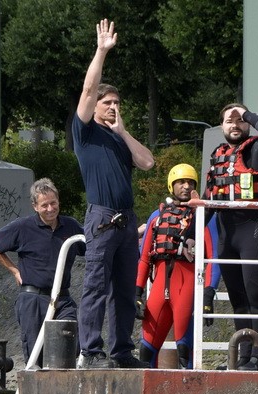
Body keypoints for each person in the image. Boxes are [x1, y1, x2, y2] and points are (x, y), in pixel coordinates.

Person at [72, 19, 155, 369]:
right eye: (108, 102)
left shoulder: (119, 138)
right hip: (102, 218)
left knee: (124, 290)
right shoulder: (85, 132)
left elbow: (148, 162)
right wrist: (101, 51)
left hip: (126, 222)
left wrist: (123, 131)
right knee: (95, 286)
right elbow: (88, 90)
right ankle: (91, 351)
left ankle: (122, 352)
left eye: (117, 102)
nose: (112, 106)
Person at [203, 102, 258, 371]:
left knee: (255, 295)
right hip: (227, 234)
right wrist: (189, 235)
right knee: (238, 298)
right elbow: (209, 199)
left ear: (248, 123)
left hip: (255, 229)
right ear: (221, 126)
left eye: (240, 120)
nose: (235, 124)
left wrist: (246, 113)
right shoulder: (218, 154)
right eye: (229, 120)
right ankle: (243, 355)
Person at [0, 178, 85, 367]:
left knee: (71, 343)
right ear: (35, 206)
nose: (50, 209)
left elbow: (94, 246)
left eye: (53, 203)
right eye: (44, 205)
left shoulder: (70, 226)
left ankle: (65, 390)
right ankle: (37, 392)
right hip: (33, 300)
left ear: (58, 201)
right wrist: (14, 270)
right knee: (35, 356)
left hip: (62, 299)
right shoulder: (23, 227)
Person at [136, 164, 219, 369]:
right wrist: (137, 292)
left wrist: (209, 292)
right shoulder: (157, 216)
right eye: (181, 182)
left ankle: (189, 391)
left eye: (190, 182)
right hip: (159, 285)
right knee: (146, 347)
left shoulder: (202, 216)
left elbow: (214, 257)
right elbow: (145, 258)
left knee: (184, 346)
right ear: (171, 185)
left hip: (187, 283)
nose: (185, 186)